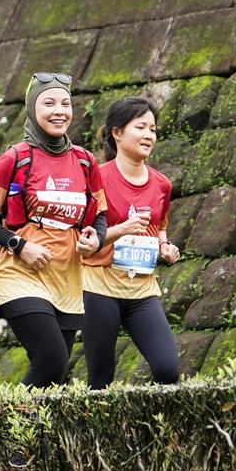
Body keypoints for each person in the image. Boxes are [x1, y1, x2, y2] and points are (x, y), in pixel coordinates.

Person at [0, 72, 107, 387]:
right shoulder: (16, 157)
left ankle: (23, 434)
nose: (59, 110)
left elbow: (100, 216)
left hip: (67, 276)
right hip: (19, 273)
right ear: (32, 108)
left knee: (53, 377)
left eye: (65, 103)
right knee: (50, 360)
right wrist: (19, 245)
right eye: (49, 102)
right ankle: (4, 431)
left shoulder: (85, 161)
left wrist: (96, 238)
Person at [82, 96, 181, 388]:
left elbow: (158, 225)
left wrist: (165, 247)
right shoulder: (95, 178)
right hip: (99, 286)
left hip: (141, 288)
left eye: (153, 129)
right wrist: (122, 229)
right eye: (141, 127)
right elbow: (84, 237)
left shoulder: (162, 184)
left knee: (167, 371)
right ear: (117, 132)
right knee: (100, 379)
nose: (149, 135)